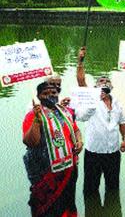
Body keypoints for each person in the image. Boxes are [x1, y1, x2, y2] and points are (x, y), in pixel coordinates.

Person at [22, 82, 83, 217]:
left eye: (54, 93)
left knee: (68, 203)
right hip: (46, 172)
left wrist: (79, 141)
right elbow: (31, 142)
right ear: (38, 96)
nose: (50, 95)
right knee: (49, 208)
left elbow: (75, 130)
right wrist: (37, 121)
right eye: (45, 93)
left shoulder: (64, 111)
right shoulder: (33, 115)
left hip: (69, 169)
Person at [75, 46, 125, 197]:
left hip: (113, 152)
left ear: (111, 87)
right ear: (95, 86)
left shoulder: (117, 103)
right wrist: (80, 61)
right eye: (101, 81)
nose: (104, 82)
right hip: (94, 153)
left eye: (107, 81)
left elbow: (123, 122)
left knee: (113, 188)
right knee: (91, 190)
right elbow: (81, 80)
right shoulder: (91, 98)